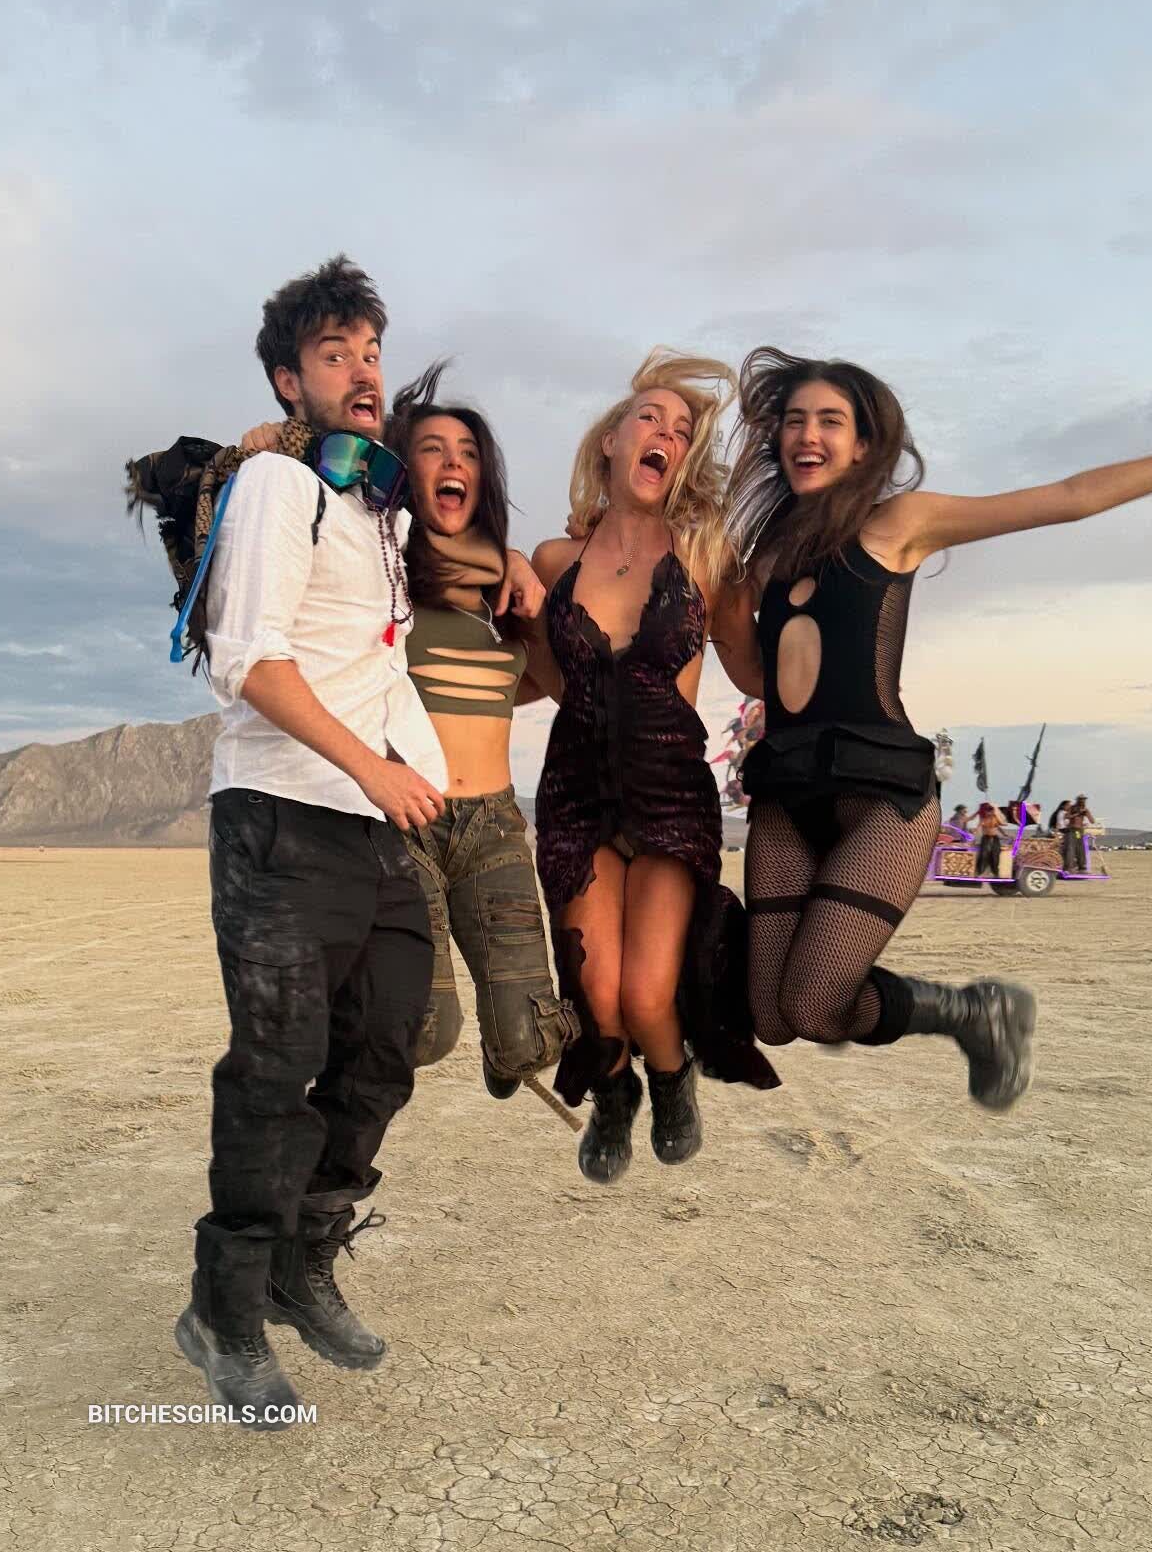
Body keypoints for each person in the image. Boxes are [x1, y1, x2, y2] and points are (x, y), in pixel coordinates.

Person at [728, 346, 1152, 1110]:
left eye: (830, 421)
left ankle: (970, 1010)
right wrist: (715, 596)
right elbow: (757, 677)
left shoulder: (898, 522)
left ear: (864, 445)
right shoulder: (766, 553)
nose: (808, 434)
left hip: (879, 795)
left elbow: (1068, 497)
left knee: (812, 1007)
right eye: (795, 420)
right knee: (772, 1019)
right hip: (787, 794)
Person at [173, 256, 449, 1427]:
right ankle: (225, 1312)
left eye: (372, 351)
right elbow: (251, 661)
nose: (364, 371)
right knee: (276, 1067)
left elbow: (373, 661)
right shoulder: (282, 488)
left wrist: (411, 774)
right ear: (291, 380)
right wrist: (371, 767)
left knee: (386, 1045)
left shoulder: (375, 508)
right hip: (282, 814)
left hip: (377, 823)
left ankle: (302, 1258)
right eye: (337, 354)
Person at [530, 350, 778, 1183]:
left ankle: (672, 1078)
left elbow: (754, 668)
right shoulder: (553, 561)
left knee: (645, 996)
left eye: (681, 428)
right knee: (597, 1000)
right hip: (575, 792)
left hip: (670, 792)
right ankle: (615, 1095)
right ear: (611, 439)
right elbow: (540, 677)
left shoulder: (705, 554)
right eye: (649, 417)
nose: (665, 432)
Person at [378, 366, 577, 1096]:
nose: (454, 461)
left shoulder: (501, 592)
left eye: (468, 452)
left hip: (493, 824)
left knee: (529, 1045)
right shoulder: (383, 568)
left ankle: (511, 1044)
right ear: (405, 472)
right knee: (427, 1029)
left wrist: (525, 580)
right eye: (432, 449)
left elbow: (533, 686)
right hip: (406, 820)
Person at [1064, 794, 1095, 872]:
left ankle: (1082, 866)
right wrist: (1077, 814)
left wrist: (1086, 813)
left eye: (1084, 800)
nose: (1082, 801)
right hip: (1071, 830)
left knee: (1080, 848)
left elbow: (1092, 821)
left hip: (1078, 831)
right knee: (1071, 848)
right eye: (1081, 799)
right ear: (1077, 800)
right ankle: (1069, 867)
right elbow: (1066, 816)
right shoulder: (1072, 808)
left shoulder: (1085, 809)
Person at [974, 802, 1005, 880]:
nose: (988, 813)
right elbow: (978, 827)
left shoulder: (995, 818)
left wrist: (1005, 834)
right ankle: (980, 872)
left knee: (995, 855)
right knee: (983, 855)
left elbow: (1002, 825)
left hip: (995, 838)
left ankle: (995, 873)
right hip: (986, 838)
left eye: (990, 811)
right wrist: (974, 835)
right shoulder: (983, 819)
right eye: (987, 811)